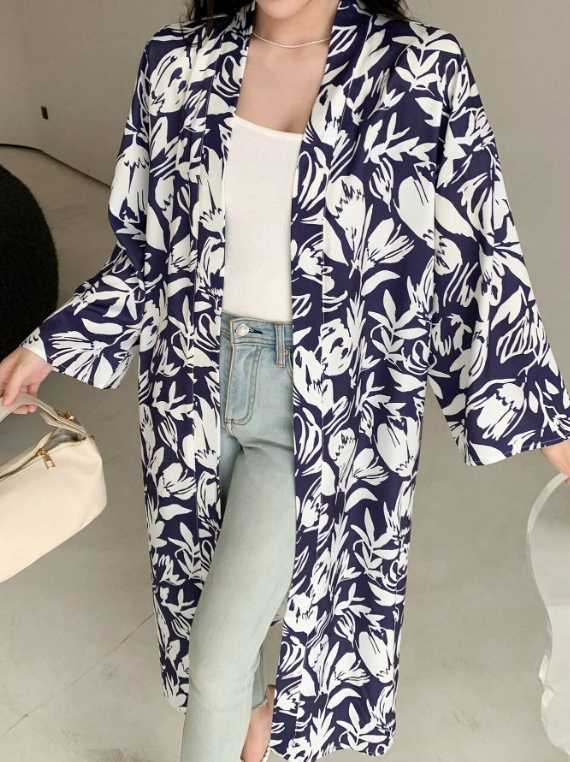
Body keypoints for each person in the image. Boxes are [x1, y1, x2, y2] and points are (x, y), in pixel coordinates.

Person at [2, 0, 570, 761]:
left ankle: (250, 716)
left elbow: (472, 263)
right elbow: (146, 253)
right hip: (190, 395)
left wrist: (551, 430)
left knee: (217, 658)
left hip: (321, 415)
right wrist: (47, 345)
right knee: (204, 608)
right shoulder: (177, 63)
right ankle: (258, 718)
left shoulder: (417, 68)